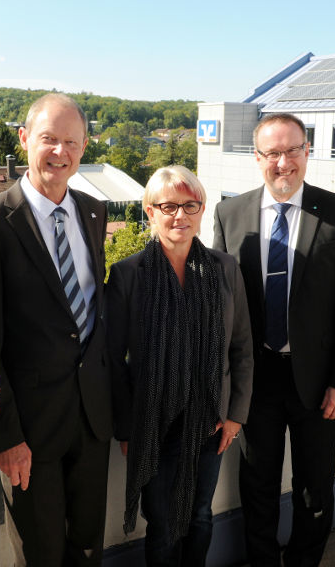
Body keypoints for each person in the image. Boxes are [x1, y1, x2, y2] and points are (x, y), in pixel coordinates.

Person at [0, 93, 112, 566]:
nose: (60, 153)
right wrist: (4, 437)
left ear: (84, 147)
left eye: (71, 142)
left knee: (87, 548)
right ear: (25, 140)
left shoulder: (92, 210)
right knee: (41, 555)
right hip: (28, 431)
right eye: (49, 139)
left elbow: (91, 314)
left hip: (91, 420)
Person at [213, 112, 335, 566]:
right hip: (255, 379)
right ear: (257, 157)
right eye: (273, 153)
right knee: (257, 485)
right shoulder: (230, 213)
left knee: (314, 488)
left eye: (292, 151)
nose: (283, 163)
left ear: (307, 152)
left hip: (319, 383)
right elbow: (220, 306)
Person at [107, 166, 253, 566]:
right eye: (169, 206)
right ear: (149, 212)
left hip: (210, 420)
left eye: (190, 205)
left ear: (202, 210)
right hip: (151, 424)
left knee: (200, 516)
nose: (180, 216)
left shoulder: (224, 270)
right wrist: (125, 427)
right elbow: (113, 361)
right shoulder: (127, 275)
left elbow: (241, 347)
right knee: (162, 524)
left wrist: (235, 414)